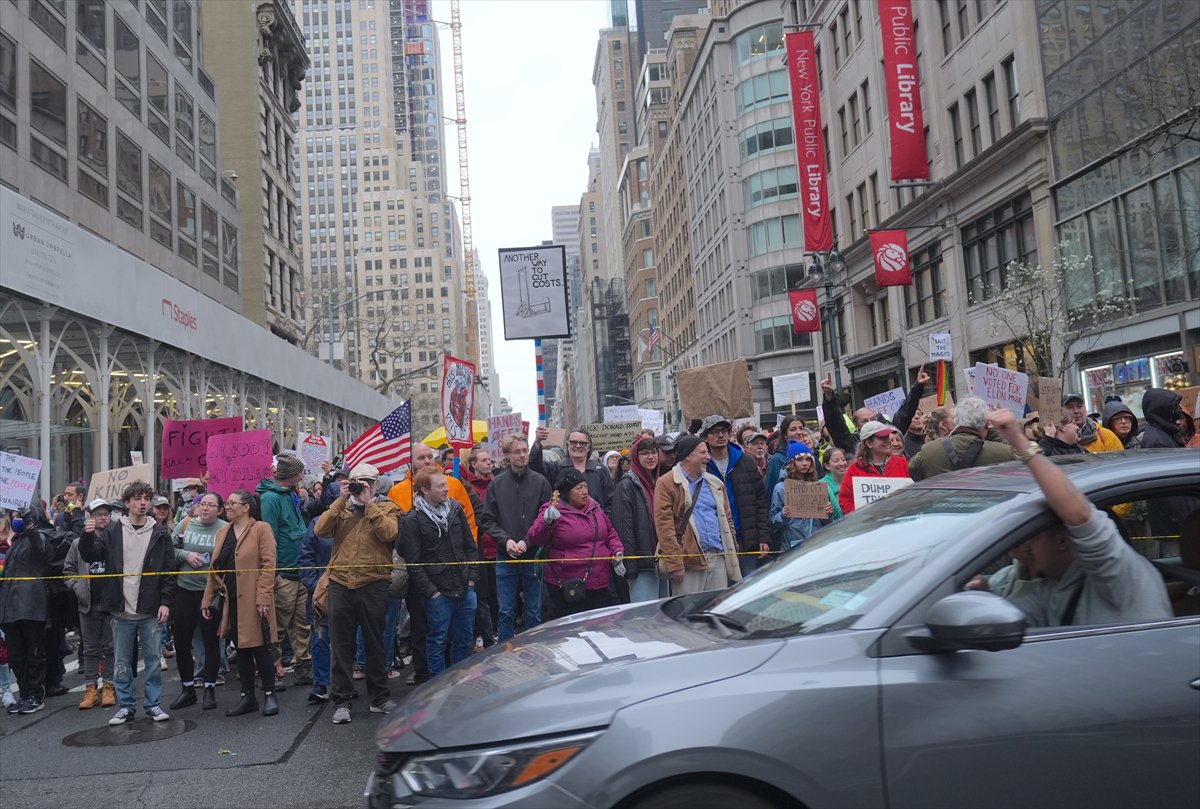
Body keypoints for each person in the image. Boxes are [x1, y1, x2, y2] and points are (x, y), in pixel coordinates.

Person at [977, 409, 1172, 626]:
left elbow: (1080, 515)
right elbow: (1015, 617)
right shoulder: (1057, 587)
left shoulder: (1119, 575)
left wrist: (1019, 441)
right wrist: (982, 596)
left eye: (1032, 537)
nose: (1027, 548)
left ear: (1062, 540)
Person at [78, 482, 176, 725]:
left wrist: (165, 602)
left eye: (146, 498)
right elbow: (91, 555)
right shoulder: (113, 530)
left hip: (150, 607)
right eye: (137, 498)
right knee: (122, 662)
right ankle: (126, 706)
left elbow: (169, 571)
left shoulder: (160, 533)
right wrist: (86, 535)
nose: (143, 503)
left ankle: (153, 704)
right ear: (127, 503)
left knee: (153, 661)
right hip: (121, 608)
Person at [314, 464, 403, 723]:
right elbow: (320, 530)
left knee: (374, 642)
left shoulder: (387, 507)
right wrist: (340, 500)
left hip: (373, 582)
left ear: (375, 485)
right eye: (356, 481)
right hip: (340, 582)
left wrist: (369, 504)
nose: (361, 486)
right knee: (341, 644)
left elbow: (389, 533)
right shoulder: (341, 507)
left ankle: (379, 697)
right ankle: (341, 701)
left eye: (367, 482)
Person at [388, 442, 476, 685]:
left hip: (462, 586)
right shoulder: (413, 518)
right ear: (425, 490)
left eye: (431, 457)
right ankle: (437, 685)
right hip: (435, 591)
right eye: (440, 486)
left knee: (463, 637)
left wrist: (471, 579)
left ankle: (460, 680)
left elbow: (470, 545)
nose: (446, 489)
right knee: (434, 638)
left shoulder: (455, 509)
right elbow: (412, 559)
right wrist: (432, 592)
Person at [200, 490, 278, 717]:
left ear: (247, 507)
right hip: (230, 600)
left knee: (259, 647)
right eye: (227, 502)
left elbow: (268, 565)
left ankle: (270, 694)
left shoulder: (261, 529)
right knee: (240, 649)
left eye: (232, 502)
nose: (228, 506)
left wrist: (263, 597)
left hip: (254, 600)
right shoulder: (223, 532)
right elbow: (214, 570)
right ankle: (247, 697)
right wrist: (207, 599)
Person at [479, 434, 552, 642]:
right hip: (505, 555)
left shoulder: (541, 482)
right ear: (506, 456)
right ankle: (504, 656)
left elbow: (547, 519)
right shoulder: (497, 484)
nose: (522, 455)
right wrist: (505, 540)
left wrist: (528, 541)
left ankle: (534, 651)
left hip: (533, 555)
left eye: (525, 450)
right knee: (505, 612)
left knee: (534, 612)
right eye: (517, 452)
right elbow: (487, 520)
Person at [0, 504, 69, 714]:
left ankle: (36, 695)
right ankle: (24, 694)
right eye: (13, 515)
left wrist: (30, 524)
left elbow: (41, 552)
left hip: (31, 606)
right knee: (16, 656)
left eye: (19, 515)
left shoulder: (40, 536)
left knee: (34, 654)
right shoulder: (15, 543)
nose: (15, 519)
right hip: (10, 608)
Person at [527, 469, 626, 616]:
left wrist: (617, 551)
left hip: (599, 581)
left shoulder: (596, 508)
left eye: (586, 486)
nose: (585, 491)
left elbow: (610, 532)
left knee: (596, 627)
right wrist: (546, 522)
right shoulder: (553, 510)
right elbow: (534, 537)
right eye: (579, 488)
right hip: (567, 586)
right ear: (566, 492)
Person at [652, 435, 742, 595]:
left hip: (718, 557)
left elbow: (727, 519)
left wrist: (732, 546)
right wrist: (675, 564)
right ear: (688, 455)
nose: (708, 457)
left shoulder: (715, 483)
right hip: (688, 562)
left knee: (715, 610)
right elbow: (664, 527)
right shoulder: (666, 483)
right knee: (688, 613)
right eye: (703, 453)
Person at [167, 492, 227, 711]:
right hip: (185, 590)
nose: (205, 508)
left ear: (220, 510)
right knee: (182, 643)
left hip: (210, 593)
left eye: (211, 505)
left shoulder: (225, 529)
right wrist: (186, 555)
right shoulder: (185, 524)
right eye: (203, 504)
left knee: (211, 642)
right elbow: (169, 550)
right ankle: (188, 689)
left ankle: (209, 688)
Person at [257, 453, 313, 687]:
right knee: (277, 625)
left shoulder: (291, 494)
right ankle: (271, 670)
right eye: (301, 472)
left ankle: (302, 666)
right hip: (284, 572)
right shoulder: (270, 498)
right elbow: (268, 536)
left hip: (298, 569)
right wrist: (274, 572)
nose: (303, 475)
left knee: (301, 624)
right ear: (292, 475)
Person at [699, 414, 771, 574]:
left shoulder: (745, 461)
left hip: (747, 539)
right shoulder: (702, 465)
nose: (720, 435)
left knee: (748, 589)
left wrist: (763, 537)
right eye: (715, 431)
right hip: (716, 542)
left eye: (724, 431)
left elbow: (760, 502)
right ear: (705, 436)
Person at [63, 499, 117, 710]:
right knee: (91, 649)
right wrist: (77, 588)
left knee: (111, 647)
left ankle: (110, 686)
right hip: (88, 604)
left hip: (111, 604)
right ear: (90, 517)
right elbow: (68, 571)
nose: (102, 517)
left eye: (106, 513)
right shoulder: (78, 544)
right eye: (98, 514)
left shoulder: (115, 540)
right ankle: (90, 688)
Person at [909, 397, 1019, 480]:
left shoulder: (928, 451)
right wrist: (995, 428)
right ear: (986, 423)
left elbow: (912, 472)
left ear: (958, 419)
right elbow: (1025, 464)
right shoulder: (1003, 452)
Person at [613, 435, 663, 603]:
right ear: (636, 457)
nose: (650, 457)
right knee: (645, 616)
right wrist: (631, 568)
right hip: (642, 565)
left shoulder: (659, 482)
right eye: (645, 453)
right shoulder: (626, 484)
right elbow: (624, 529)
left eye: (653, 452)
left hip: (662, 560)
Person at [460, 447, 499, 648]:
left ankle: (493, 634)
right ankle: (480, 635)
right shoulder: (468, 490)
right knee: (479, 597)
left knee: (494, 597)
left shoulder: (497, 485)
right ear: (473, 464)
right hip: (478, 550)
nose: (489, 463)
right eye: (484, 459)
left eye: (490, 459)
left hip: (496, 549)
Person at [530, 427, 616, 514]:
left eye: (582, 443)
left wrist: (605, 523)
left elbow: (611, 502)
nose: (578, 446)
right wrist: (537, 442)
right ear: (567, 446)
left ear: (589, 447)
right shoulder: (556, 468)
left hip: (596, 524)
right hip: (566, 524)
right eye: (573, 442)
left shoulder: (600, 470)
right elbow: (535, 469)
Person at [838, 421, 910, 515]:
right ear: (869, 443)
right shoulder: (854, 470)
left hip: (899, 522)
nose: (888, 441)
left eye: (887, 436)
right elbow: (845, 501)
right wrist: (861, 516)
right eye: (882, 438)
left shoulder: (902, 463)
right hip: (870, 526)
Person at [297, 517, 333, 704]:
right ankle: (320, 684)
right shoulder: (318, 523)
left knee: (348, 638)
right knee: (320, 636)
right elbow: (305, 556)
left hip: (352, 589)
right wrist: (314, 585)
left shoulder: (359, 518)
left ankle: (346, 682)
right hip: (322, 591)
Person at [770, 443, 832, 550]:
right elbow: (772, 521)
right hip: (791, 546)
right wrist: (783, 515)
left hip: (816, 544)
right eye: (800, 460)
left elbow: (826, 523)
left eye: (808, 459)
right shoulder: (781, 488)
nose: (805, 463)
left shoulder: (817, 486)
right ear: (791, 462)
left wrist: (828, 513)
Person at [764, 417, 810, 497]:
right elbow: (771, 493)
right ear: (785, 435)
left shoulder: (812, 457)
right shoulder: (777, 459)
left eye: (801, 428)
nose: (799, 432)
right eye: (793, 429)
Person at [818, 447, 848, 521]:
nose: (841, 463)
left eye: (843, 460)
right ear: (827, 466)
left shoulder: (852, 480)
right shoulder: (820, 486)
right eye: (836, 461)